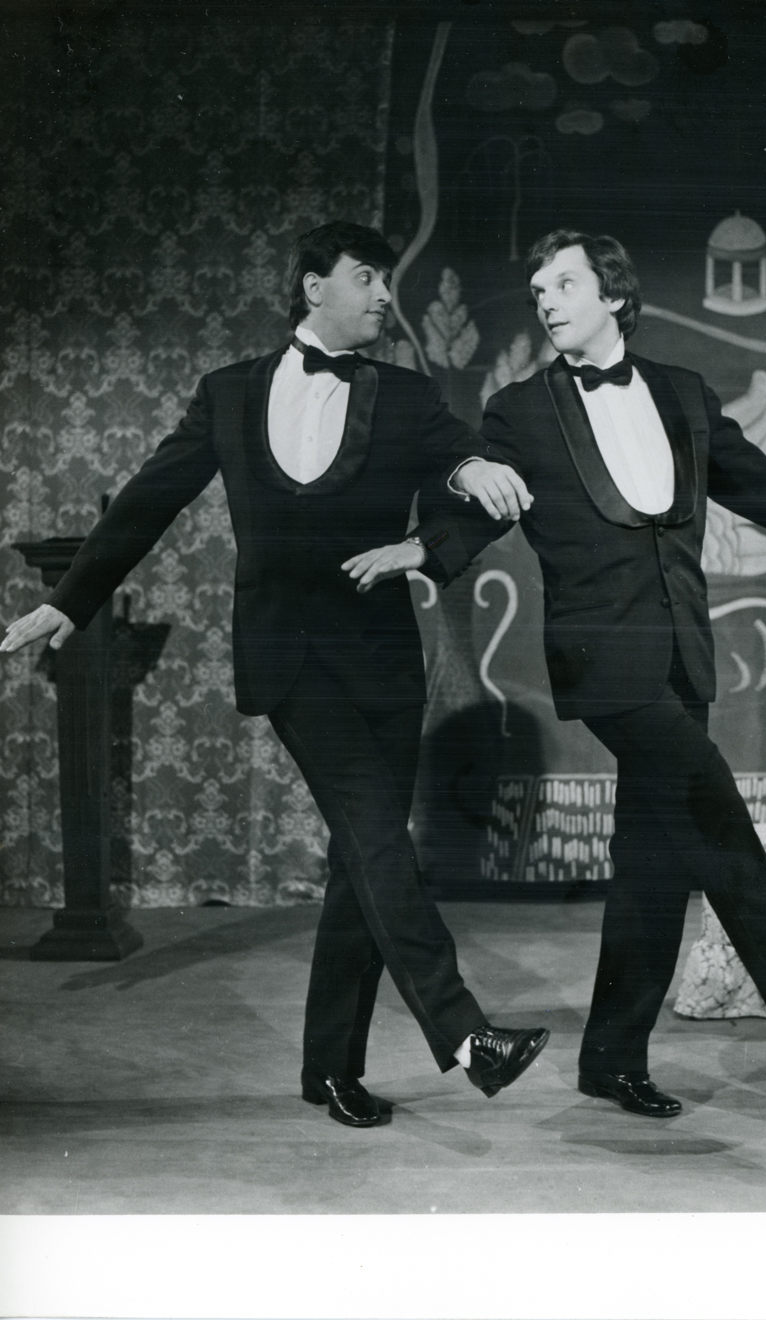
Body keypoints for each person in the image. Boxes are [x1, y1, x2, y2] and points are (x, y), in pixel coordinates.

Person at [0, 221, 547, 1129]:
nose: (385, 296)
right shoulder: (229, 393)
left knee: (360, 861)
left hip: (383, 664)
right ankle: (464, 1034)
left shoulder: (406, 394)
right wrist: (73, 600)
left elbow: (463, 461)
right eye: (367, 278)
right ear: (313, 286)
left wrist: (466, 487)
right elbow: (149, 498)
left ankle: (329, 1070)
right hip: (290, 660)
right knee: (379, 837)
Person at [445, 228, 766, 1117]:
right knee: (718, 819)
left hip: (683, 656)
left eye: (564, 284)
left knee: (653, 859)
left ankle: (611, 1059)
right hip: (603, 661)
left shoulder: (681, 393)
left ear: (613, 295)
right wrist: (446, 506)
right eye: (537, 292)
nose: (546, 302)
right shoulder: (519, 410)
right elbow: (476, 504)